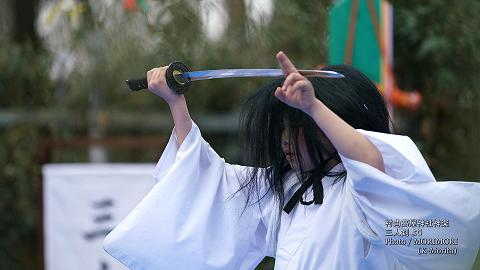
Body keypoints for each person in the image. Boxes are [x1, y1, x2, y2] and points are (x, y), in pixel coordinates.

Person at [103, 52, 480, 269]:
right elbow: (206, 182)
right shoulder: (288, 192)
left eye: (295, 129)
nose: (284, 142)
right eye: (282, 130)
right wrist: (176, 104)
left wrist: (313, 106)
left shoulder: (373, 188)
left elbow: (369, 164)